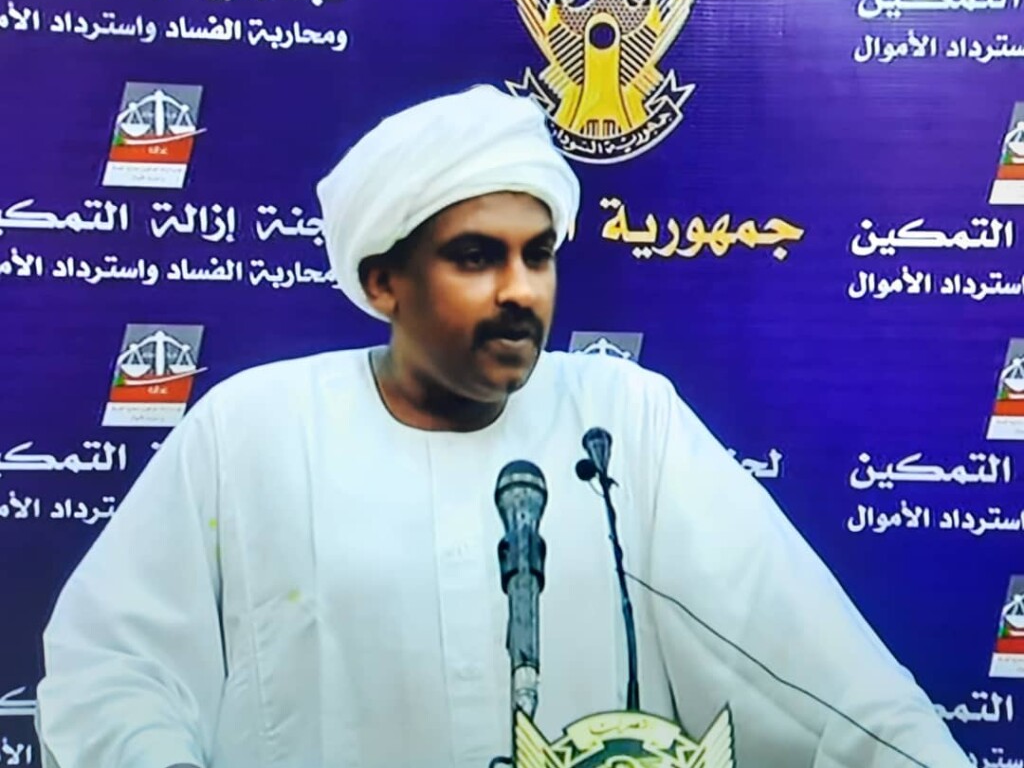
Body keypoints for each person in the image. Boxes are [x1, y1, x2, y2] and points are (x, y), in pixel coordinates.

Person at [36, 85, 970, 768]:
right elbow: (113, 668)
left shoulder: (621, 422)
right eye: (477, 257)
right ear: (384, 282)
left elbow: (816, 679)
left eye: (539, 254)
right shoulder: (252, 432)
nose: (521, 291)